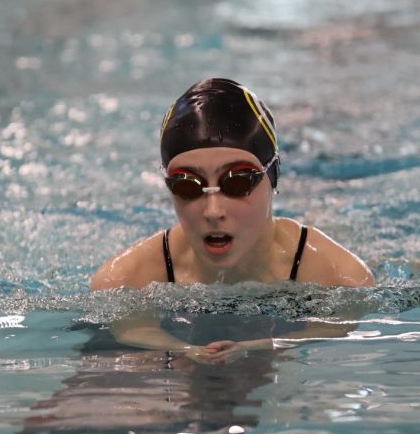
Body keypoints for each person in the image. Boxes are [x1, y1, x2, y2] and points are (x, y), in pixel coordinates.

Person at [90, 77, 373, 361]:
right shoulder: (126, 279)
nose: (213, 211)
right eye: (187, 184)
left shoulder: (338, 275)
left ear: (272, 177)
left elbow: (337, 326)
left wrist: (264, 346)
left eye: (238, 182)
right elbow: (131, 329)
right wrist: (184, 350)